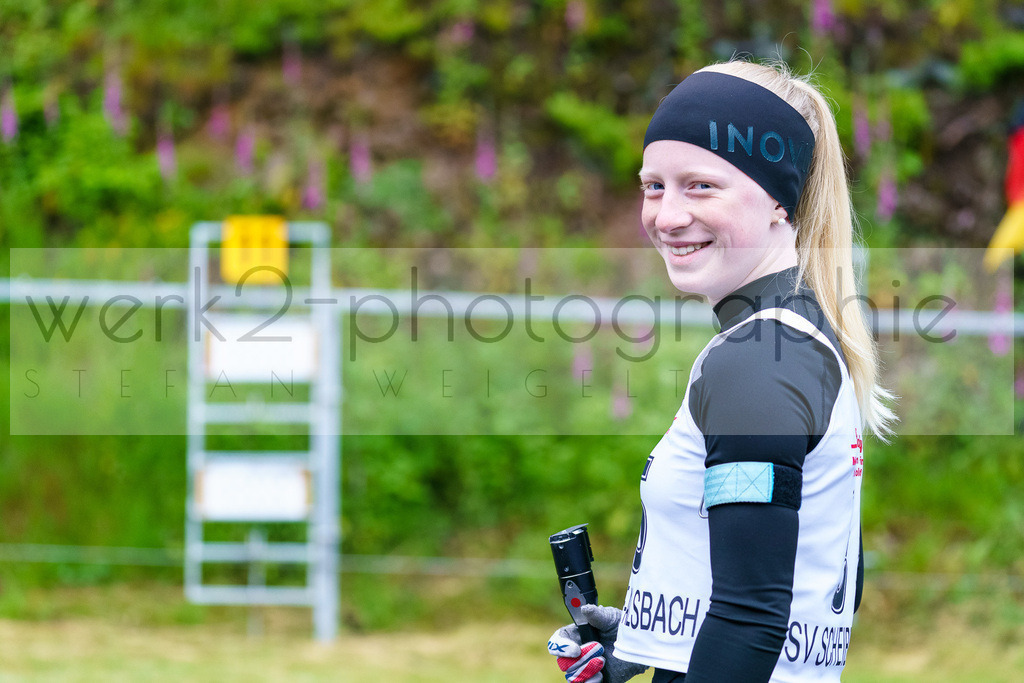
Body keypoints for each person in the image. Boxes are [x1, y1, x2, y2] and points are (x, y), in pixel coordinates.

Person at [546, 59, 896, 682]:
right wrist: (643, 640)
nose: (666, 216)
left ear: (778, 203)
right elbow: (822, 580)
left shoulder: (758, 358)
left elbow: (752, 619)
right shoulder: (800, 337)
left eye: (700, 186)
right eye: (653, 186)